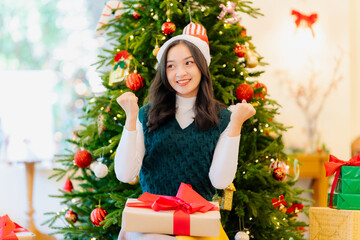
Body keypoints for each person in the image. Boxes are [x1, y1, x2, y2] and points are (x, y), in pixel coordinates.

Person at [115, 22, 256, 240]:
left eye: (188, 63)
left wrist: (236, 125)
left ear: (202, 66)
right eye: (171, 66)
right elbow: (125, 174)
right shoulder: (146, 114)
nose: (180, 72)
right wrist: (131, 119)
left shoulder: (223, 118)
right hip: (151, 219)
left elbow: (220, 181)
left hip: (198, 221)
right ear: (164, 72)